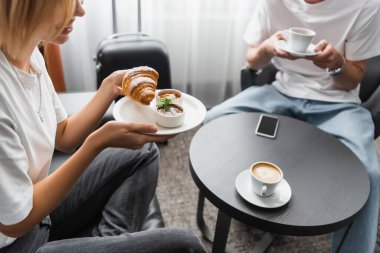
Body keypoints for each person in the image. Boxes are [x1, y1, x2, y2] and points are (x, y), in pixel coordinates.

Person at [0, 1, 206, 253]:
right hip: (17, 242)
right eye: (68, 3)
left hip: (41, 215)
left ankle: (103, 241)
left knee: (142, 152)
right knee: (187, 246)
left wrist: (109, 86)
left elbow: (63, 135)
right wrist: (97, 143)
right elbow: (15, 222)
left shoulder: (28, 53)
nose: (80, 11)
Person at [205, 0, 380, 252]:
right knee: (215, 120)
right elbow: (252, 61)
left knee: (367, 174)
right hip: (282, 92)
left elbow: (352, 80)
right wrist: (267, 48)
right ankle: (250, 200)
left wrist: (335, 63)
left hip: (337, 103)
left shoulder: (365, 5)